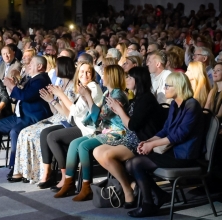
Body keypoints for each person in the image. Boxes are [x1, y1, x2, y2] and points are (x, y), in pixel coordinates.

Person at [125, 72, 204, 217]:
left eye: (168, 86)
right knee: (132, 162)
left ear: (178, 87)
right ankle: (158, 196)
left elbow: (178, 135)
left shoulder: (192, 105)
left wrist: (153, 145)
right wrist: (148, 141)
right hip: (174, 152)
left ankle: (149, 203)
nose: (164, 89)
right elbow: (166, 129)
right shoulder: (175, 104)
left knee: (135, 163)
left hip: (185, 156)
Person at [94, 67, 166, 208]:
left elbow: (132, 126)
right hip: (130, 137)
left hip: (142, 140)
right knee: (97, 151)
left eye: (129, 78)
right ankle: (132, 185)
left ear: (137, 80)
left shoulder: (146, 99)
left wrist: (120, 110)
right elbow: (130, 125)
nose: (126, 80)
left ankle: (127, 190)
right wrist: (119, 110)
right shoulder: (136, 98)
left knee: (107, 155)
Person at [54, 65, 128, 201]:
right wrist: (88, 100)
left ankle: (86, 186)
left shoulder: (119, 95)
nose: (102, 77)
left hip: (117, 133)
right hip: (104, 130)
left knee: (84, 146)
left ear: (111, 77)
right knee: (74, 143)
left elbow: (100, 115)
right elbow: (93, 115)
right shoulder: (107, 93)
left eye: (104, 74)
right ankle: (69, 183)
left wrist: (88, 97)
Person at [0, 56, 52, 170]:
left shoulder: (41, 80)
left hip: (31, 117)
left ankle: (15, 166)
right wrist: (13, 87)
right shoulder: (32, 79)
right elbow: (19, 96)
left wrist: (10, 86)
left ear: (40, 66)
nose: (28, 65)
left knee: (15, 131)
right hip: (20, 116)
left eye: (31, 63)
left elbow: (25, 96)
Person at [38, 61, 102, 191]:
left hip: (88, 129)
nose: (85, 74)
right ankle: (48, 175)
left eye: (88, 72)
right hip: (77, 124)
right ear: (78, 74)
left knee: (53, 137)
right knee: (45, 133)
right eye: (82, 72)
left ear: (93, 74)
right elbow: (69, 116)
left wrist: (61, 94)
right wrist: (53, 100)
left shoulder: (92, 87)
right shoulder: (82, 88)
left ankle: (65, 178)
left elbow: (75, 111)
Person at [11, 56, 76, 183]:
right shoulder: (61, 84)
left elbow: (67, 114)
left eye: (57, 66)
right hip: (56, 117)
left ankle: (43, 172)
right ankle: (26, 171)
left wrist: (52, 100)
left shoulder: (72, 87)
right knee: (25, 132)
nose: (54, 69)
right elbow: (55, 111)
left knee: (34, 134)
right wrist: (50, 100)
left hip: (65, 121)